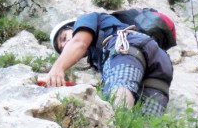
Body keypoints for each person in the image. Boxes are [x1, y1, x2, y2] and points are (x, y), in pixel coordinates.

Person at [44, 12, 173, 115]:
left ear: (73, 26)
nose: (65, 45)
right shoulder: (97, 56)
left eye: (64, 38)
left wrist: (57, 68)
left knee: (119, 93)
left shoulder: (86, 19)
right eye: (62, 49)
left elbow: (80, 42)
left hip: (127, 46)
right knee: (146, 123)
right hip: (160, 62)